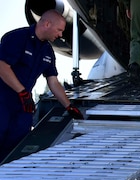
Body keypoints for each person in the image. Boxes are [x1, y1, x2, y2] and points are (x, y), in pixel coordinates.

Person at [0, 10, 84, 163]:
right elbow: (2, 66)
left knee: (16, 151)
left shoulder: (47, 52)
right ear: (47, 24)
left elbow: (53, 81)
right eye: (59, 30)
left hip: (22, 107)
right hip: (3, 102)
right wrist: (22, 92)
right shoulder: (17, 38)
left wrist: (68, 106)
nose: (60, 35)